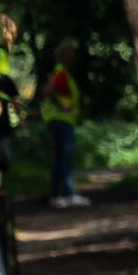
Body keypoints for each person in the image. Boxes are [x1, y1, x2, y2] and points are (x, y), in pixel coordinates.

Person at [41, 39, 90, 209]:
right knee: (63, 158)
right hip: (61, 120)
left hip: (62, 121)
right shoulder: (60, 72)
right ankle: (62, 195)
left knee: (63, 158)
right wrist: (61, 106)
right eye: (71, 54)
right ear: (64, 56)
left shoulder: (62, 73)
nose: (74, 57)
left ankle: (64, 194)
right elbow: (48, 91)